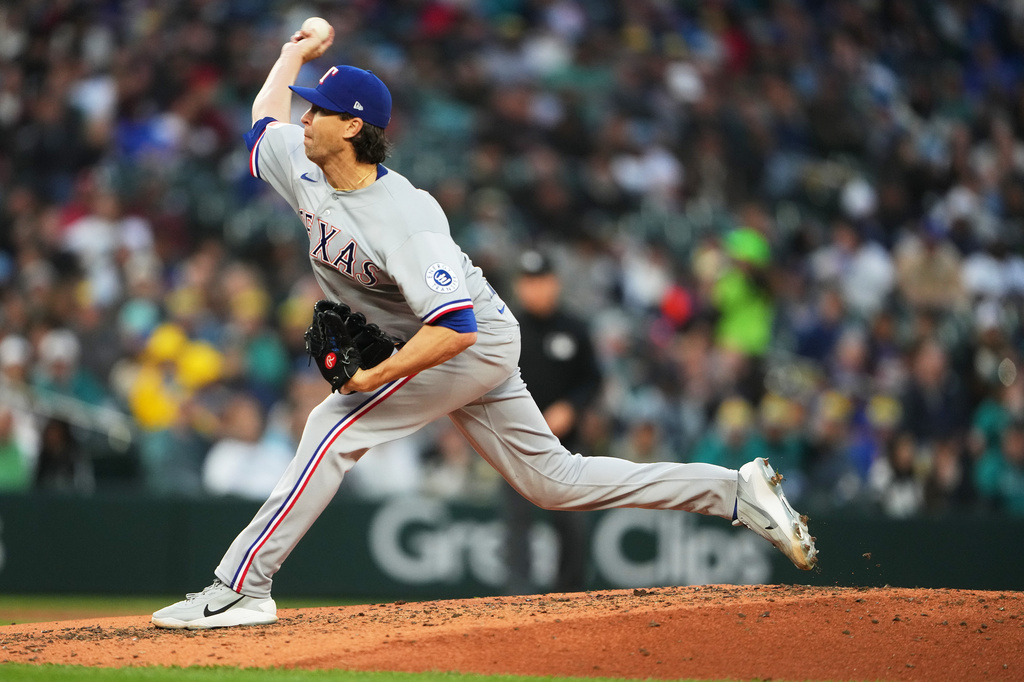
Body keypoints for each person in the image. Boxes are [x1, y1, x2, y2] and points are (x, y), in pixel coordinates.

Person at [152, 23, 818, 630]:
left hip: (470, 340)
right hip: (452, 342)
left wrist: (374, 377)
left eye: (319, 110)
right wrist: (293, 53)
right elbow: (261, 120)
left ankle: (243, 587)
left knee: (333, 424)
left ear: (354, 128)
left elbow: (457, 327)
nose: (305, 117)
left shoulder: (407, 218)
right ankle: (735, 490)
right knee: (556, 483)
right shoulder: (303, 159)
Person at [501, 249, 602, 595]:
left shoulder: (574, 329)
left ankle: (570, 595)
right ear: (519, 286)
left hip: (566, 443)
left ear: (555, 283)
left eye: (542, 281)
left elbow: (592, 379)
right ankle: (518, 598)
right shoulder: (507, 329)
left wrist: (572, 407)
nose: (537, 289)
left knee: (571, 522)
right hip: (516, 443)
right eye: (529, 282)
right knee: (518, 525)